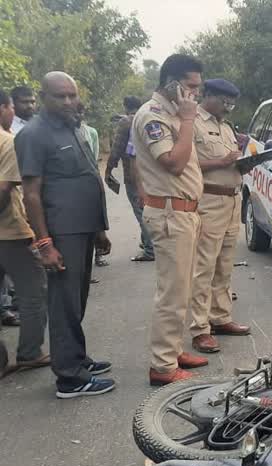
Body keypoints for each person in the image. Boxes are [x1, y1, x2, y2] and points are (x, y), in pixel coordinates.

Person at [16, 72, 114, 399]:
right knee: (63, 303)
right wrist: (44, 244)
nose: (69, 101)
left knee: (77, 300)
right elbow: (31, 194)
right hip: (62, 232)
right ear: (44, 97)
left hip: (84, 229)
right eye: (61, 96)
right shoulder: (34, 134)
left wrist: (99, 229)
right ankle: (69, 378)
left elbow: (87, 177)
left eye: (72, 95)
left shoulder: (73, 127)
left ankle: (76, 357)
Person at [132, 54, 209, 386]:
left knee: (183, 289)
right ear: (172, 84)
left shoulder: (174, 114)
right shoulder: (153, 116)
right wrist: (190, 119)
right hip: (170, 215)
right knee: (172, 294)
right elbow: (174, 164)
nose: (196, 94)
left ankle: (173, 351)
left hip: (184, 213)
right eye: (191, 87)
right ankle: (162, 367)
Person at [188, 79, 251, 354]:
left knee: (225, 265)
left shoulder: (226, 127)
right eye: (224, 102)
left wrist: (244, 160)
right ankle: (200, 329)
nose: (228, 108)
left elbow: (232, 163)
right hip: (209, 200)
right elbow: (184, 164)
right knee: (204, 266)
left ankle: (220, 317)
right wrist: (221, 162)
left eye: (231, 104)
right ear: (207, 95)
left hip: (232, 200)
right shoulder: (192, 124)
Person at [0, 89, 48, 372]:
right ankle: (30, 352)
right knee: (33, 292)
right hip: (11, 232)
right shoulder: (7, 141)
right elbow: (7, 189)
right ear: (5, 108)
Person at [106, 96, 154, 262]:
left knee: (141, 210)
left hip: (133, 173)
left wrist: (109, 169)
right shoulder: (147, 117)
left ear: (126, 106)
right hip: (151, 174)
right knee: (148, 207)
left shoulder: (126, 122)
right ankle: (147, 242)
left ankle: (150, 249)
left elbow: (117, 147)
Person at [76, 104, 108, 268]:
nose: (79, 115)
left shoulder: (91, 132)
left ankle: (98, 255)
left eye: (81, 112)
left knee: (95, 218)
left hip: (90, 175)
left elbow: (94, 157)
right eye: (77, 111)